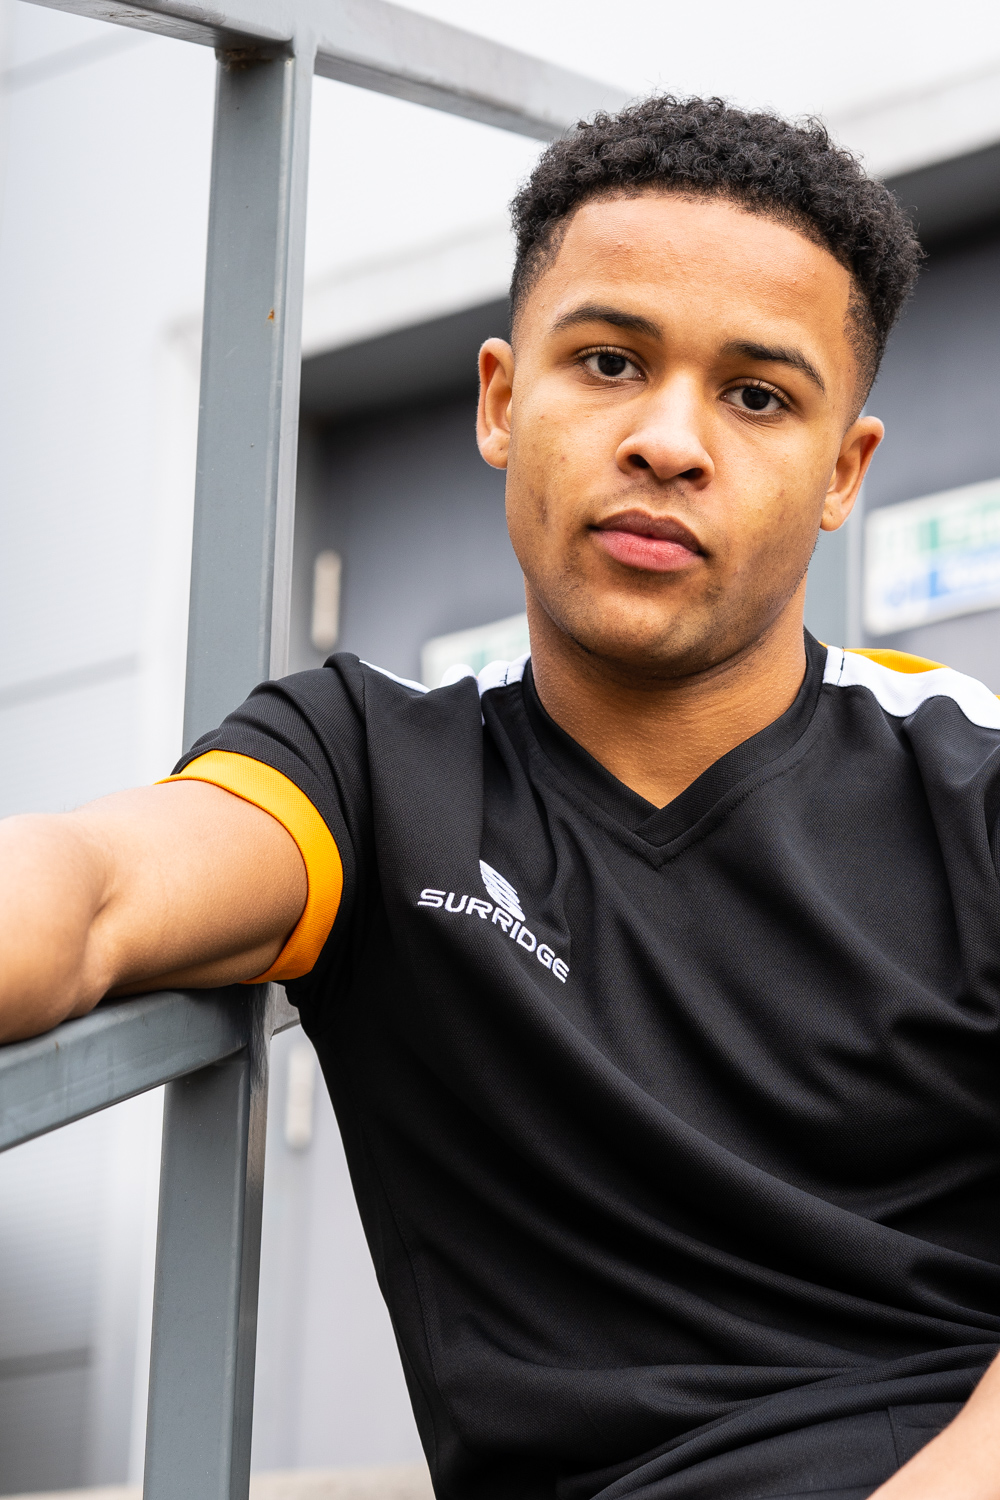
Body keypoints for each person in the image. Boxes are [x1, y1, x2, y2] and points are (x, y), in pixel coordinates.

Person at [2, 94, 999, 1500]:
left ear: (843, 471)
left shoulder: (968, 782)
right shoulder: (367, 766)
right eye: (609, 361)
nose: (669, 441)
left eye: (757, 396)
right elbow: (93, 893)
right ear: (501, 399)